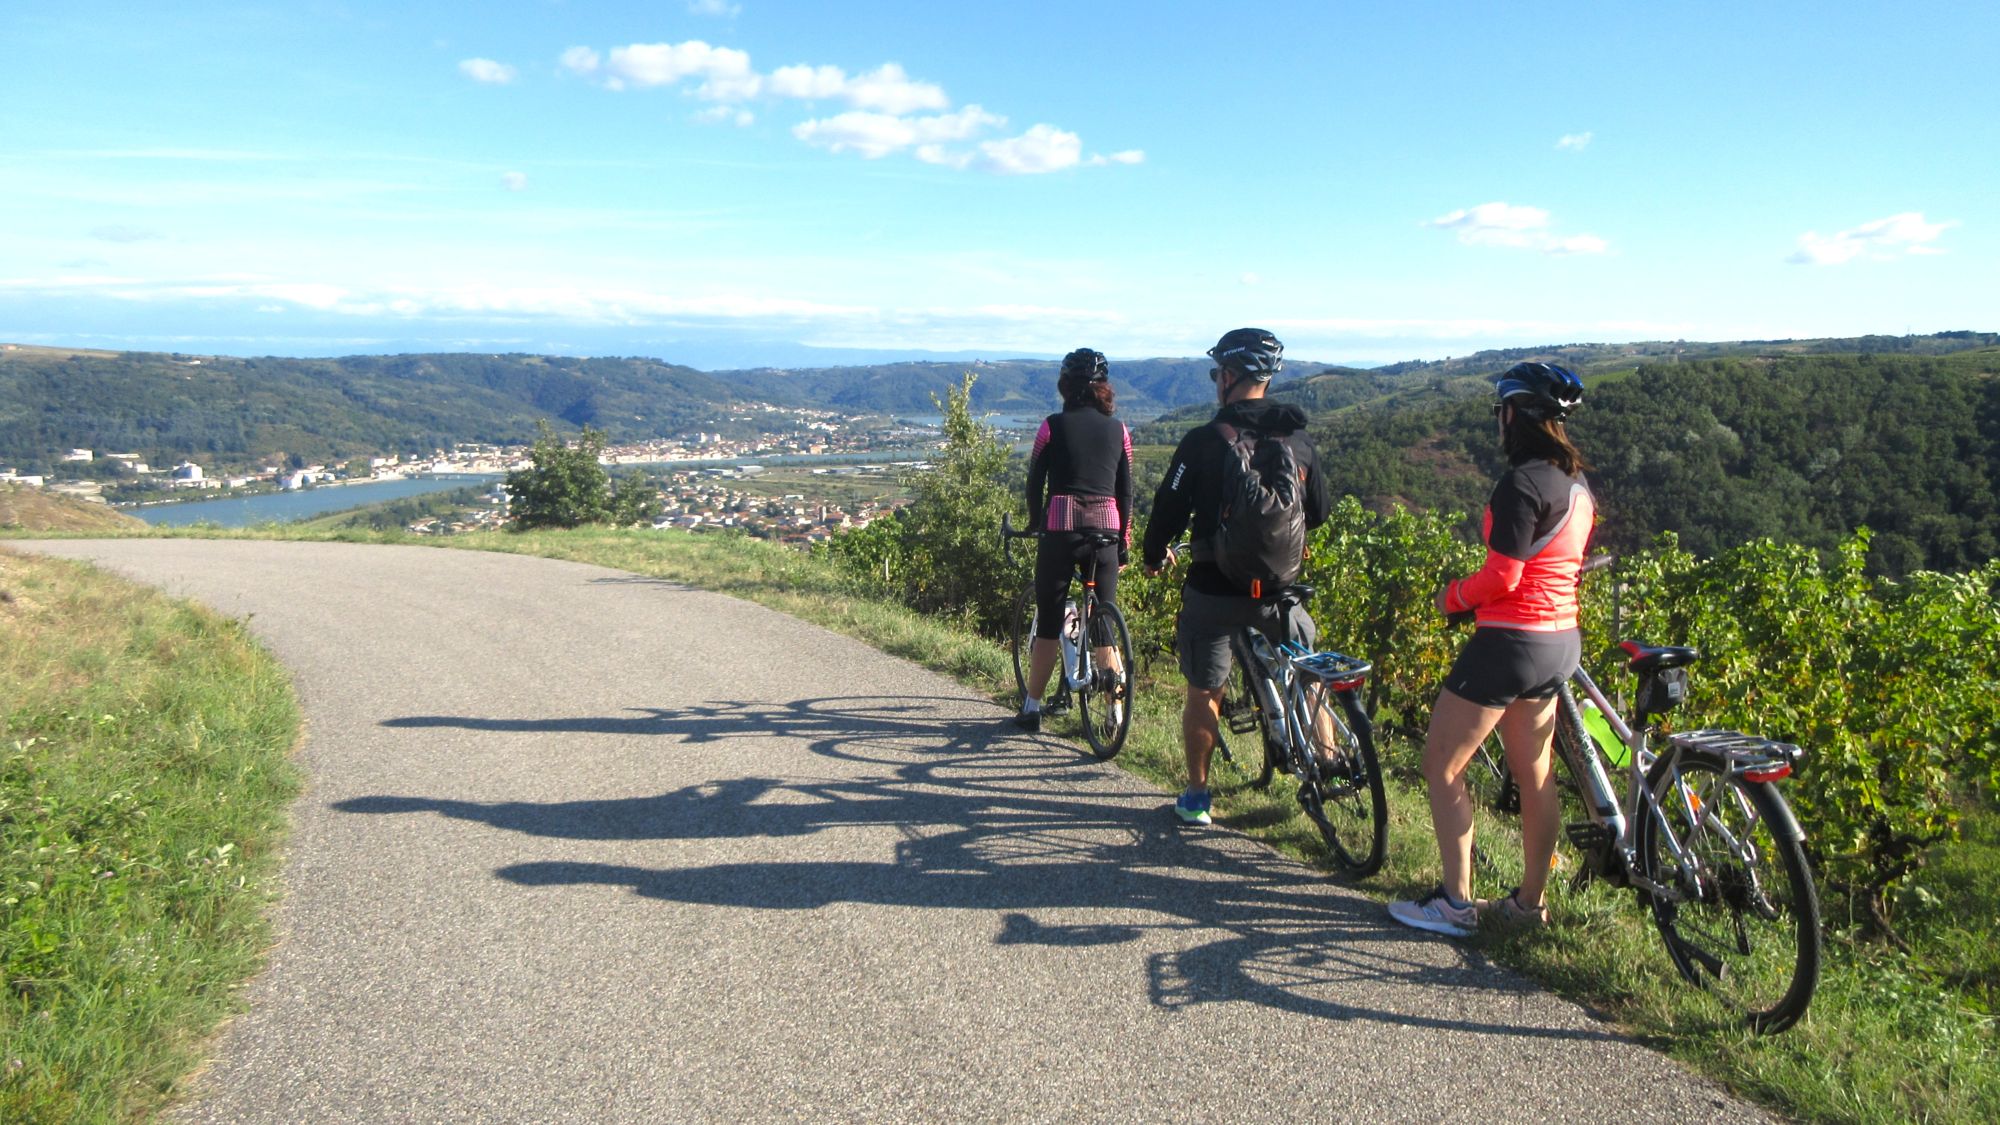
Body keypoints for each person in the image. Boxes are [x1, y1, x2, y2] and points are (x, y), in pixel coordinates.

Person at [1388, 362, 1594, 937]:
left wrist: (1452, 597)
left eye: (1500, 410)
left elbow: (1503, 576)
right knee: (1536, 772)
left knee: (1441, 763)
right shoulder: (1576, 486)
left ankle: (1455, 903)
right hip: (1561, 643)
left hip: (1510, 642)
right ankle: (1529, 904)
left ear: (1514, 416)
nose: (1497, 421)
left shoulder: (1521, 484)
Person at [1141, 328, 1331, 825]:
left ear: (1227, 377)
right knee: (1310, 671)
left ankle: (1198, 797)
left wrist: (1153, 552)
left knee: (1205, 690)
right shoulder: (1300, 441)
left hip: (1215, 587)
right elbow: (1321, 511)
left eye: (1215, 374)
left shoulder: (1203, 441)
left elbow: (1168, 508)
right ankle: (1329, 760)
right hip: (1281, 589)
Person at [1014, 348, 1135, 732]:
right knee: (1103, 622)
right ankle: (1114, 714)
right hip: (1106, 531)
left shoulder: (1051, 426)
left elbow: (1035, 483)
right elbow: (1126, 492)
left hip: (1060, 530)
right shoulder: (1120, 431)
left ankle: (1032, 707)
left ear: (1065, 386)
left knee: (1050, 620)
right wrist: (1124, 541)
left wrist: (1036, 522)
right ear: (1104, 388)